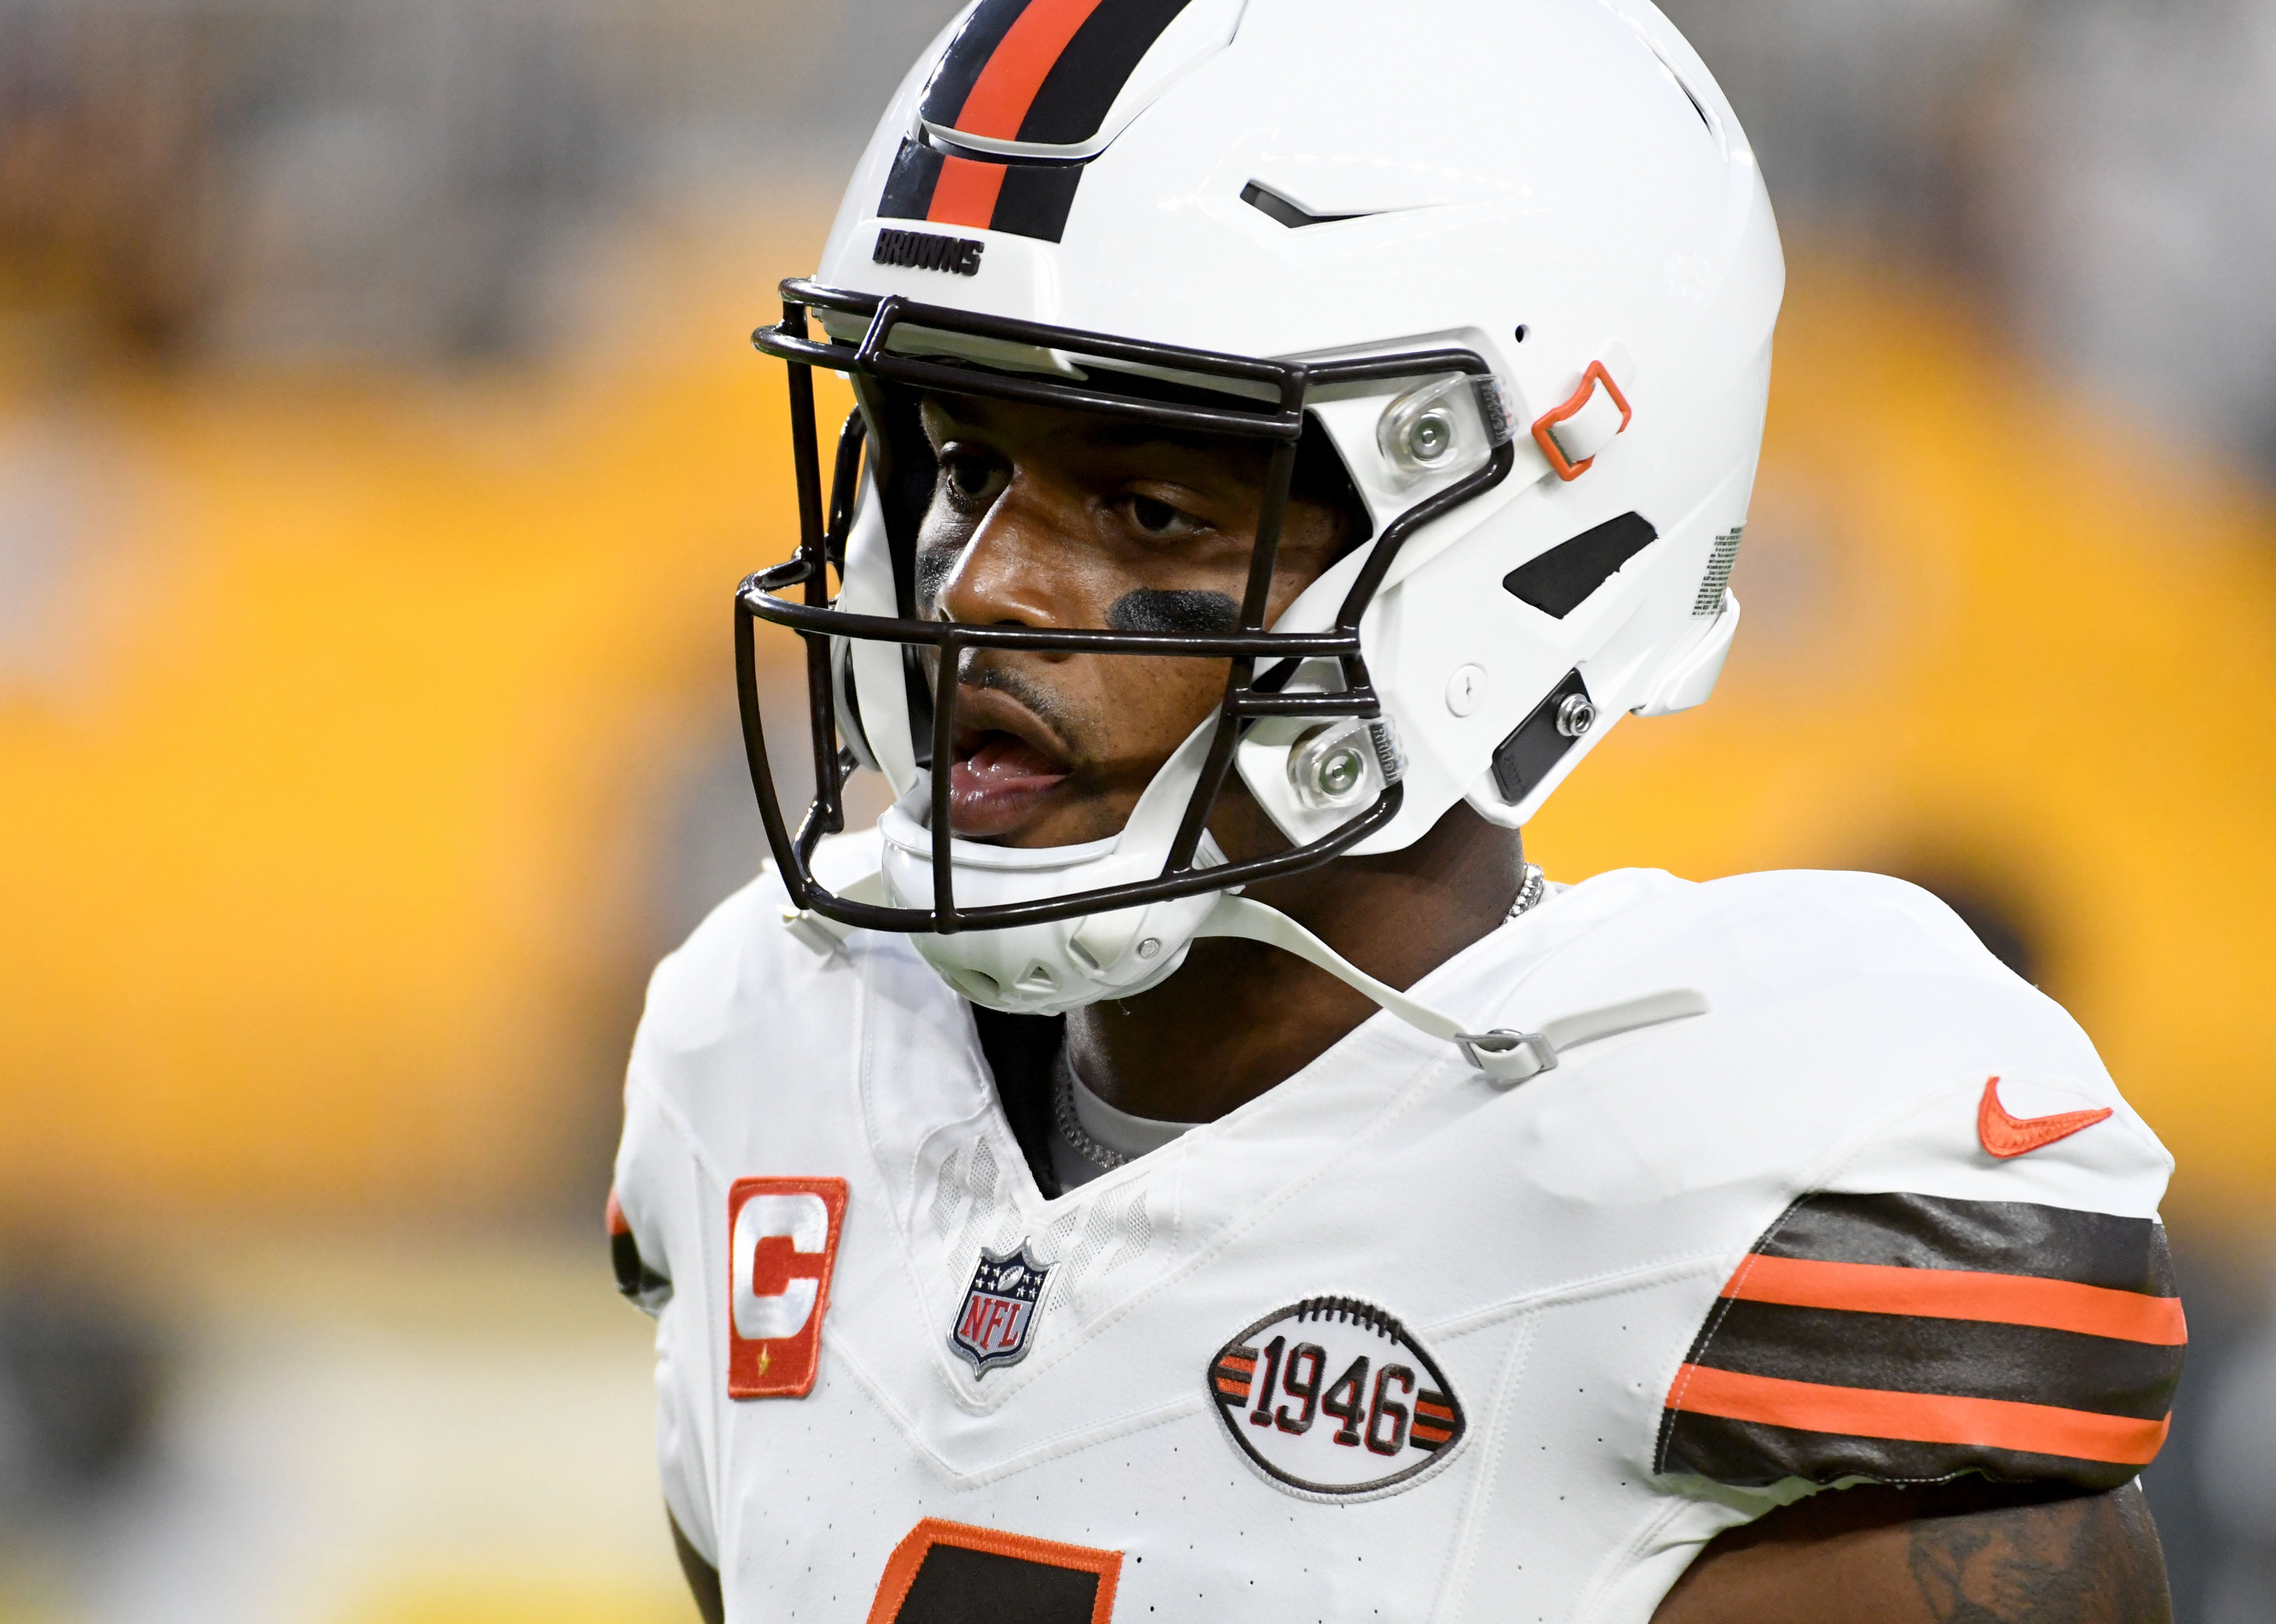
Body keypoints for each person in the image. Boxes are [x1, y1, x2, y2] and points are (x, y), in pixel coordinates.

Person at [609, 1, 2183, 1618]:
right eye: (962, 467)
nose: (981, 587)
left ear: (1513, 550)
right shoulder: (776, 1049)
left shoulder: (1694, 1182)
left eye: (1148, 506)